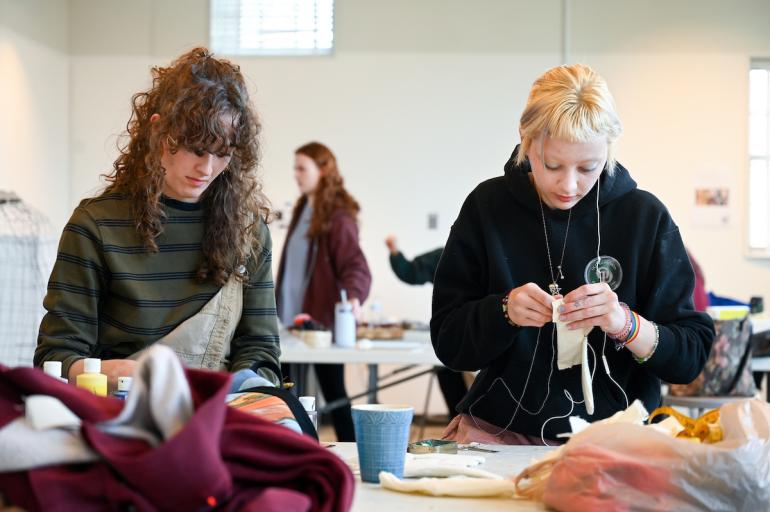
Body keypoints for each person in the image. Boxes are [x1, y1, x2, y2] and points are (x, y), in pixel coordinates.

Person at [431, 64, 714, 445]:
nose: (568, 185)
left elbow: (691, 357)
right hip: (498, 433)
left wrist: (625, 324)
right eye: (552, 165)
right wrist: (503, 311)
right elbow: (449, 343)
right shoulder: (488, 207)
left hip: (617, 442)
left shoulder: (644, 218)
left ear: (608, 150)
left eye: (587, 167)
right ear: (525, 141)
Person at [35, 48, 281, 390]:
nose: (207, 169)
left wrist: (243, 391)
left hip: (215, 419)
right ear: (158, 131)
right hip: (120, 416)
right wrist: (118, 374)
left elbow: (260, 352)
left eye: (223, 153)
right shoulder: (95, 226)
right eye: (196, 149)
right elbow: (57, 358)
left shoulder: (248, 231)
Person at [276, 142, 371, 441]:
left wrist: (353, 296)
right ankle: (293, 449)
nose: (296, 174)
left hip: (319, 327)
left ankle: (354, 454)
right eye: (295, 168)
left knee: (333, 393)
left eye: (302, 168)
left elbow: (355, 265)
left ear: (323, 170)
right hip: (290, 324)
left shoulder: (337, 216)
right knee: (288, 395)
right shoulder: (306, 207)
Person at [385, 235, 468, 420]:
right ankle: (460, 423)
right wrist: (395, 253)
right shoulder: (447, 255)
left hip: (488, 336)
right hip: (455, 334)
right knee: (447, 370)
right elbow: (411, 272)